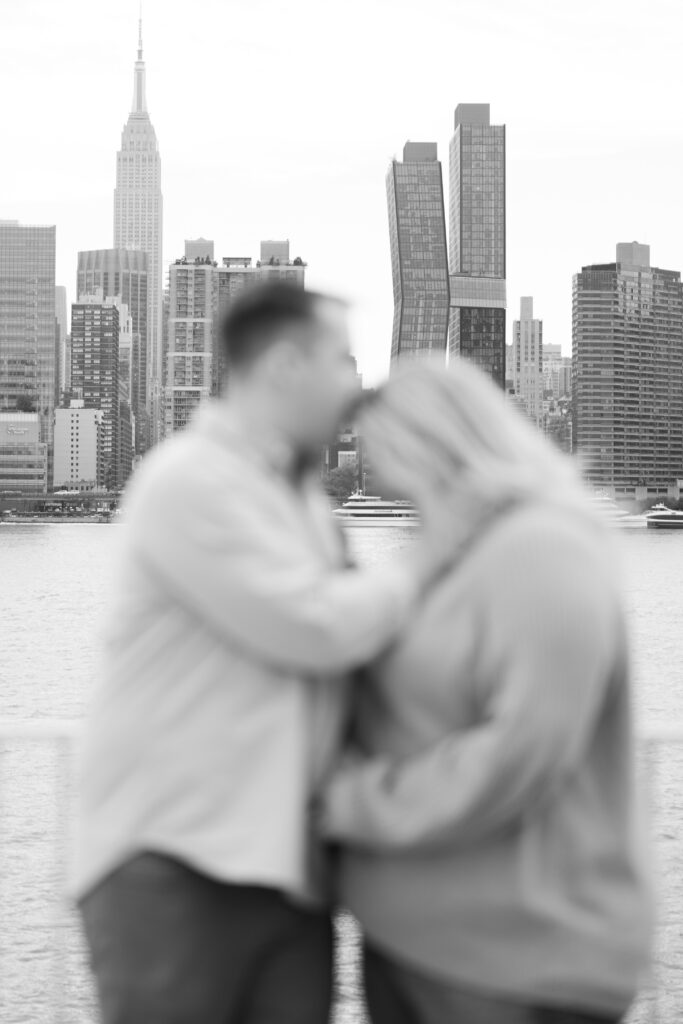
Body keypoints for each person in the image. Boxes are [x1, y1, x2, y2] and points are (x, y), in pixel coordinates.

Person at [73, 285, 454, 1024]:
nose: (357, 384)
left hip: (283, 870)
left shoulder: (303, 503)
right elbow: (315, 629)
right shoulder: (188, 481)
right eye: (343, 360)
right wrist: (428, 557)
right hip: (174, 863)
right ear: (284, 364)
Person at [319, 360, 653, 1024]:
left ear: (433, 449)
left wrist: (349, 803)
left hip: (512, 964)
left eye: (389, 463)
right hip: (427, 947)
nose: (385, 487)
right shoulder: (454, 556)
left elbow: (520, 751)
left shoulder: (542, 550)